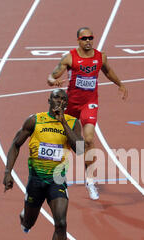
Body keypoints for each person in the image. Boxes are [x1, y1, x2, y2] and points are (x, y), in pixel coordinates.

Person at [3, 89, 84, 240]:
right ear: (49, 100)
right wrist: (7, 172)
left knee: (62, 223)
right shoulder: (35, 121)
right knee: (29, 222)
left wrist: (63, 123)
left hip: (57, 180)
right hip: (36, 181)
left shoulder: (73, 123)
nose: (60, 101)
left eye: (64, 99)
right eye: (57, 98)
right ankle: (25, 217)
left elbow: (81, 149)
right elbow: (15, 144)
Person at [47, 26, 128, 200]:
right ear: (78, 40)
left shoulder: (100, 57)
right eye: (84, 38)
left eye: (90, 37)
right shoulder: (70, 58)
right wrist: (53, 81)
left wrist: (120, 84)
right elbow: (51, 76)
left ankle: (90, 180)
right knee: (63, 140)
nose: (88, 41)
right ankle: (59, 174)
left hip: (89, 104)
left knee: (89, 139)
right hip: (70, 105)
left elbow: (108, 71)